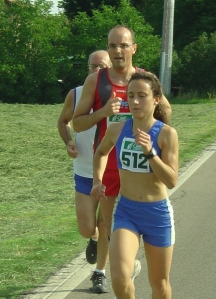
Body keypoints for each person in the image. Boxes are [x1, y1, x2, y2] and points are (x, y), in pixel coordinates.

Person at [73, 25, 172, 282]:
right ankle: (120, 265)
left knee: (118, 223)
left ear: (133, 48)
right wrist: (104, 112)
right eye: (113, 46)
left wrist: (155, 138)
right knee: (108, 226)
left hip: (138, 166)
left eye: (123, 45)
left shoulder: (144, 79)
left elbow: (167, 113)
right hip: (108, 162)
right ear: (108, 48)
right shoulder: (96, 80)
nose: (118, 51)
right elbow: (78, 123)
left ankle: (108, 270)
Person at [91, 71, 178, 299]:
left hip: (156, 213)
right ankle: (129, 266)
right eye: (131, 95)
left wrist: (150, 153)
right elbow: (100, 152)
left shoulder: (166, 134)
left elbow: (171, 180)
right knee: (119, 278)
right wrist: (97, 180)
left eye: (142, 95)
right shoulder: (117, 129)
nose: (135, 101)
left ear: (156, 99)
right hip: (127, 211)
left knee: (159, 285)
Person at [57, 50, 112, 293]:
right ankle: (94, 238)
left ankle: (99, 272)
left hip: (112, 171)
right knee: (87, 227)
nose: (96, 71)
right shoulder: (76, 94)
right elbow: (63, 121)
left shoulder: (120, 94)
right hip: (84, 169)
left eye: (101, 67)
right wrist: (68, 142)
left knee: (106, 222)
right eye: (92, 67)